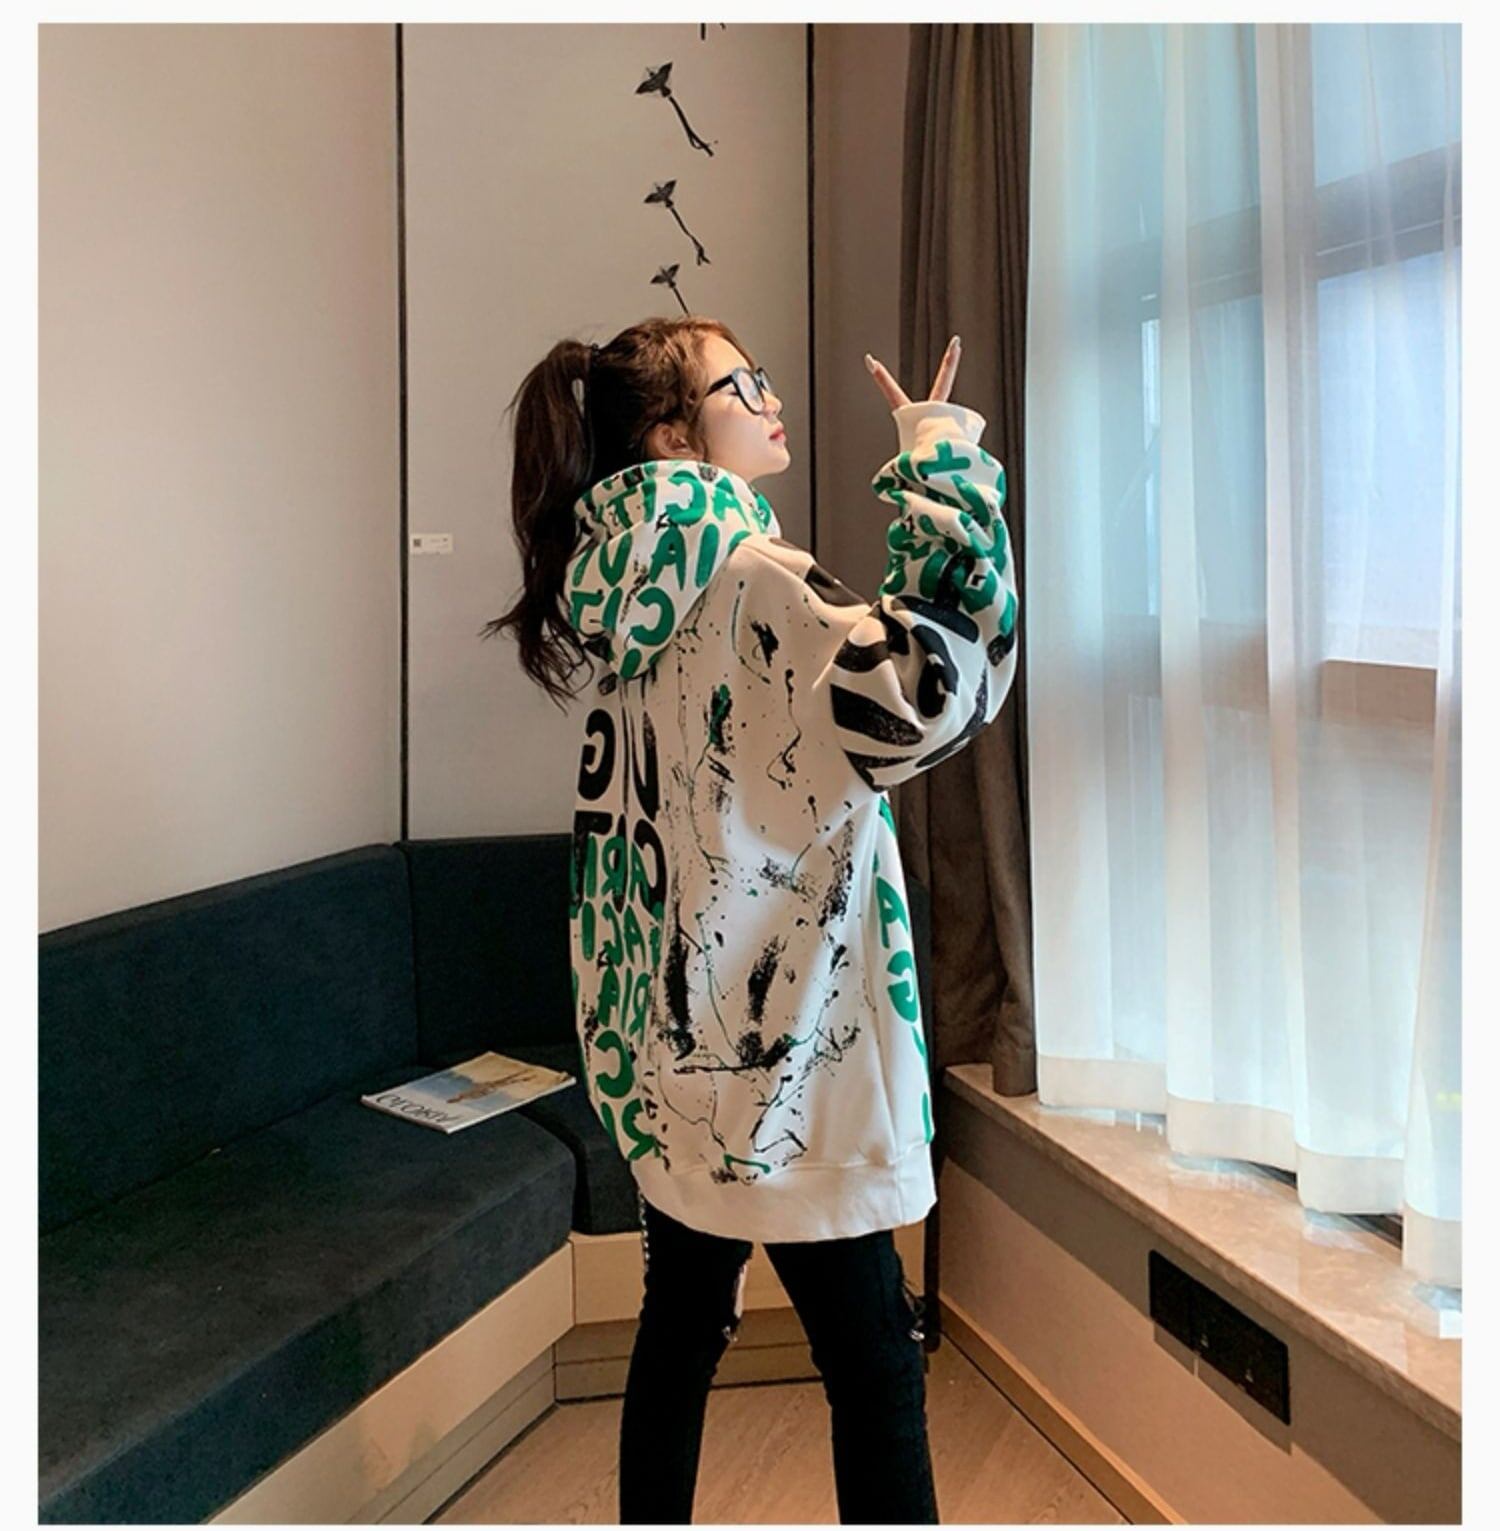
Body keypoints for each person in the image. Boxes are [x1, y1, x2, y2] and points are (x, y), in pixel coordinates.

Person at [486, 316, 1018, 1524]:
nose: (771, 398)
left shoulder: (624, 598)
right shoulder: (754, 580)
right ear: (674, 434)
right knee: (876, 1365)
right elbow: (934, 690)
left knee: (678, 1334)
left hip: (675, 1064)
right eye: (744, 383)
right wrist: (939, 461)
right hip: (791, 1061)